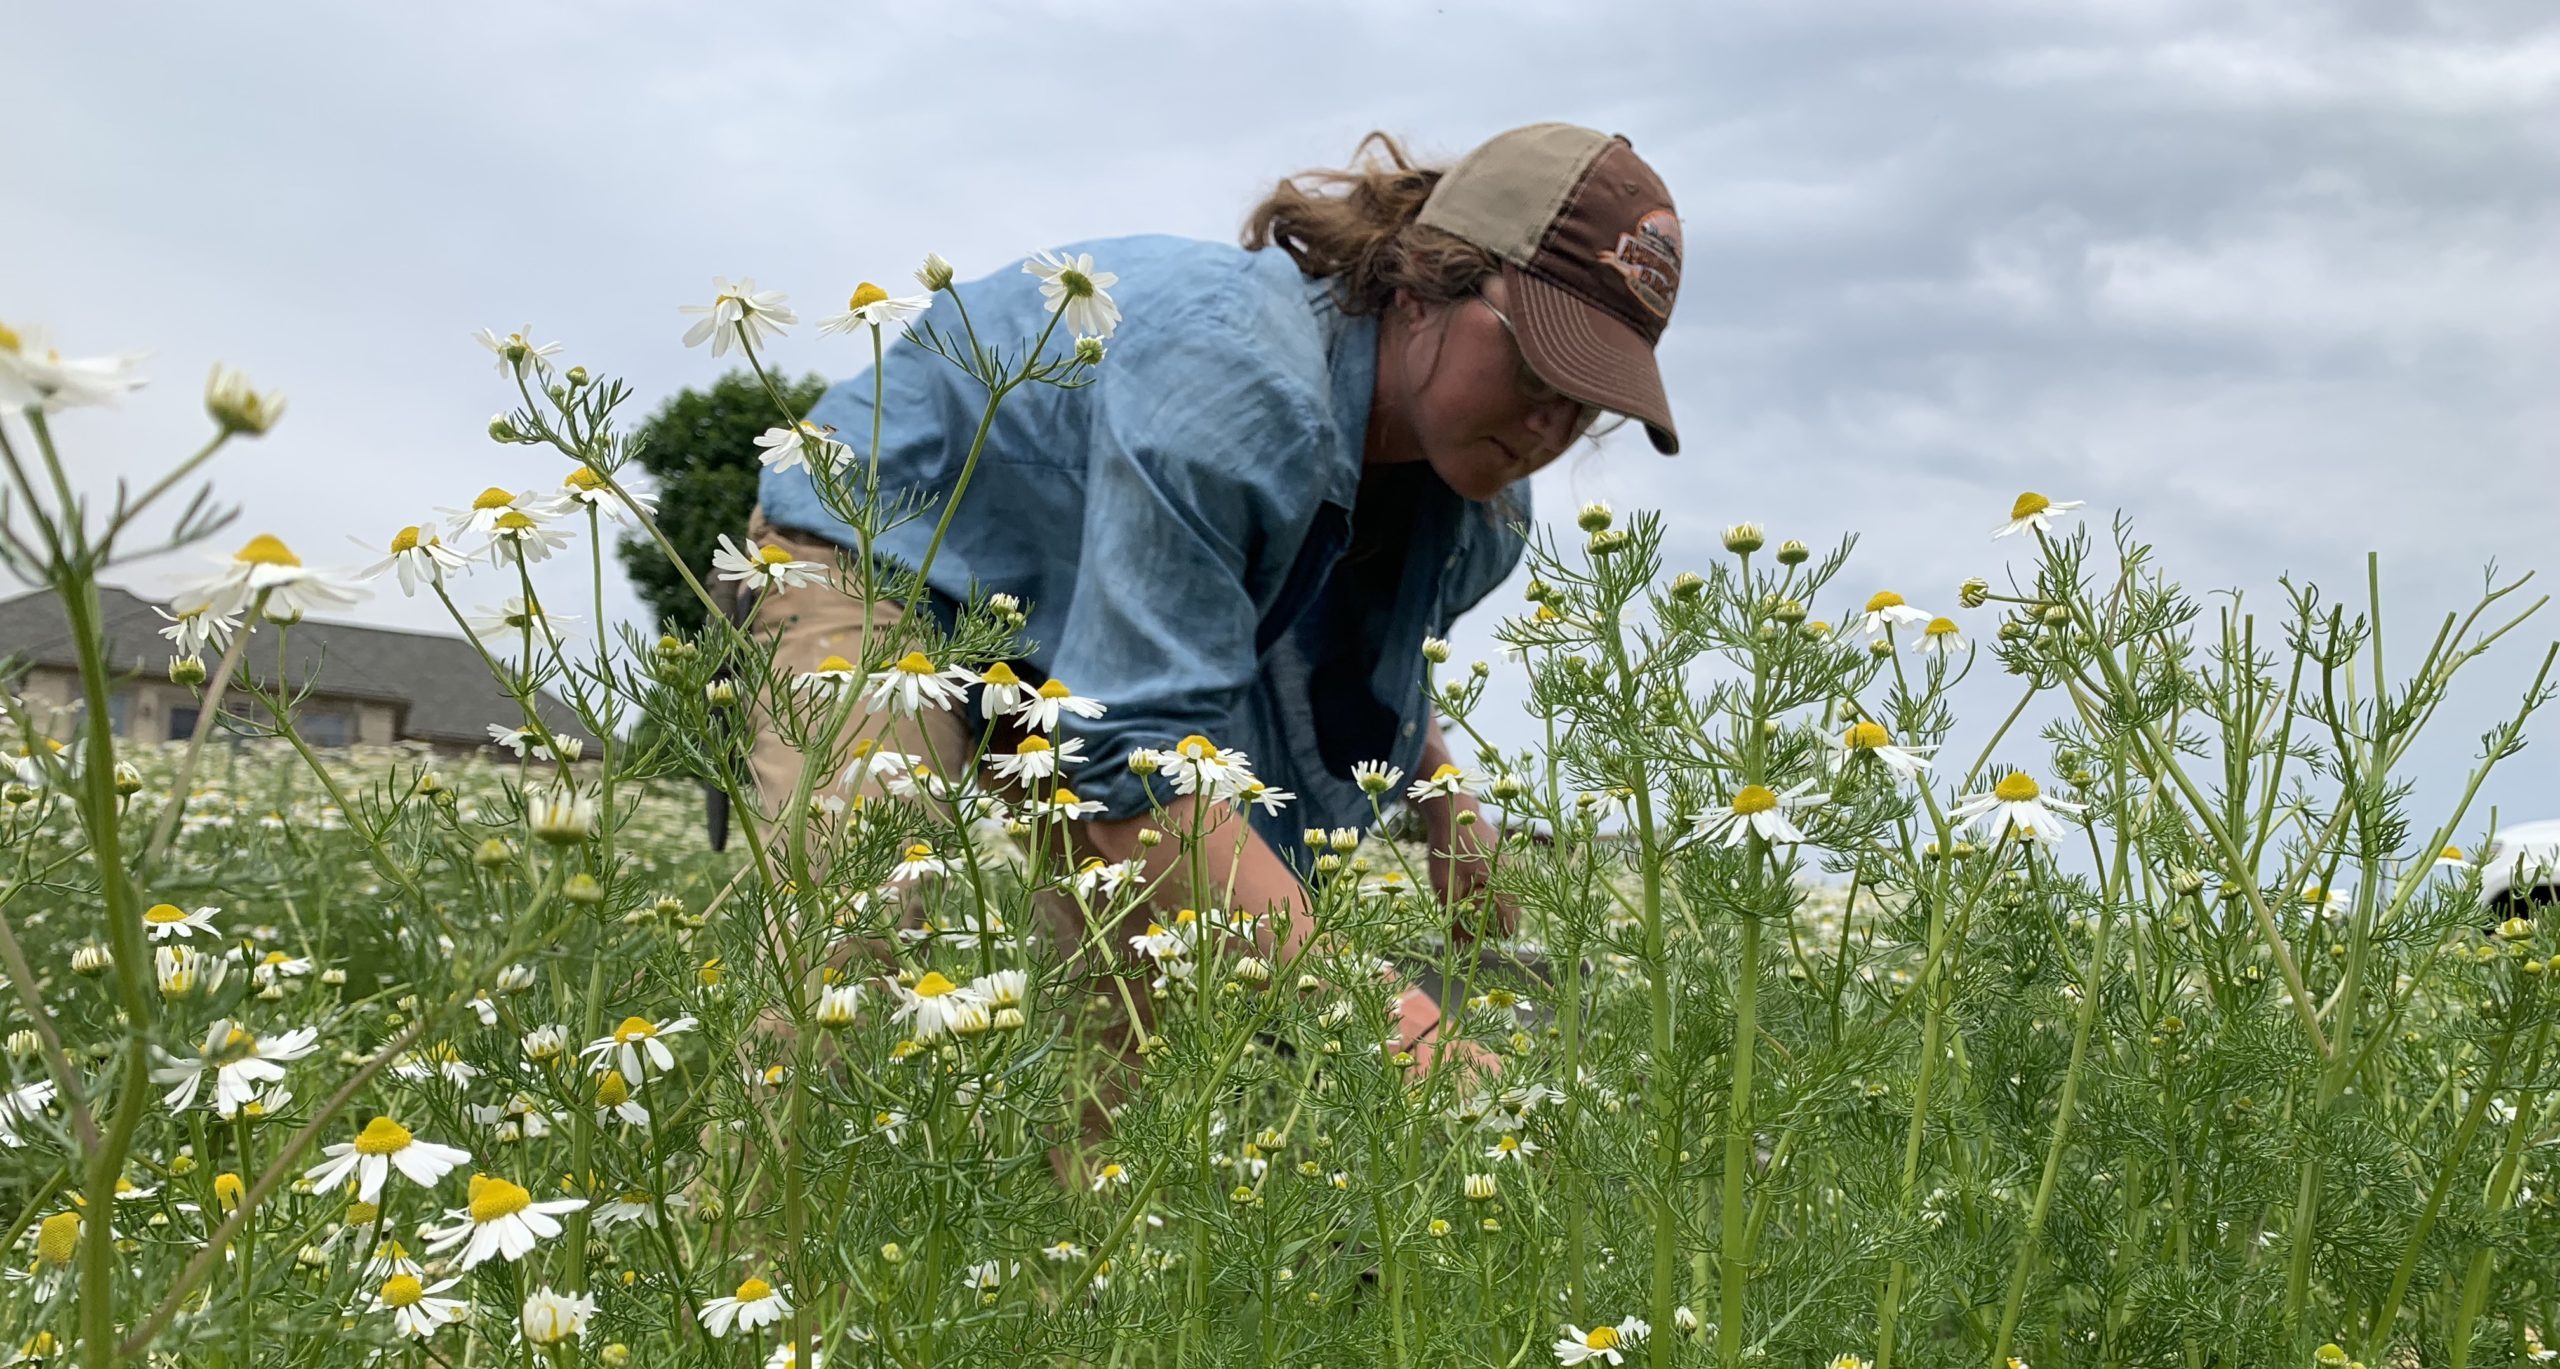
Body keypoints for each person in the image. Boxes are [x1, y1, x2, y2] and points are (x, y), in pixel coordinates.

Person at [738, 121, 1683, 1091]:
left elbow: (1269, 674)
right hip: (892, 537)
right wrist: (1397, 1033)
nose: (1550, 424)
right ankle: (763, 1238)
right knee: (857, 917)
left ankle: (1089, 1235)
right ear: (1419, 283)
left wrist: (1441, 795)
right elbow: (1139, 761)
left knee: (1144, 979)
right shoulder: (1239, 380)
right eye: (1536, 363)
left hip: (1086, 631)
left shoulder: (1474, 512)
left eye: (1588, 397)